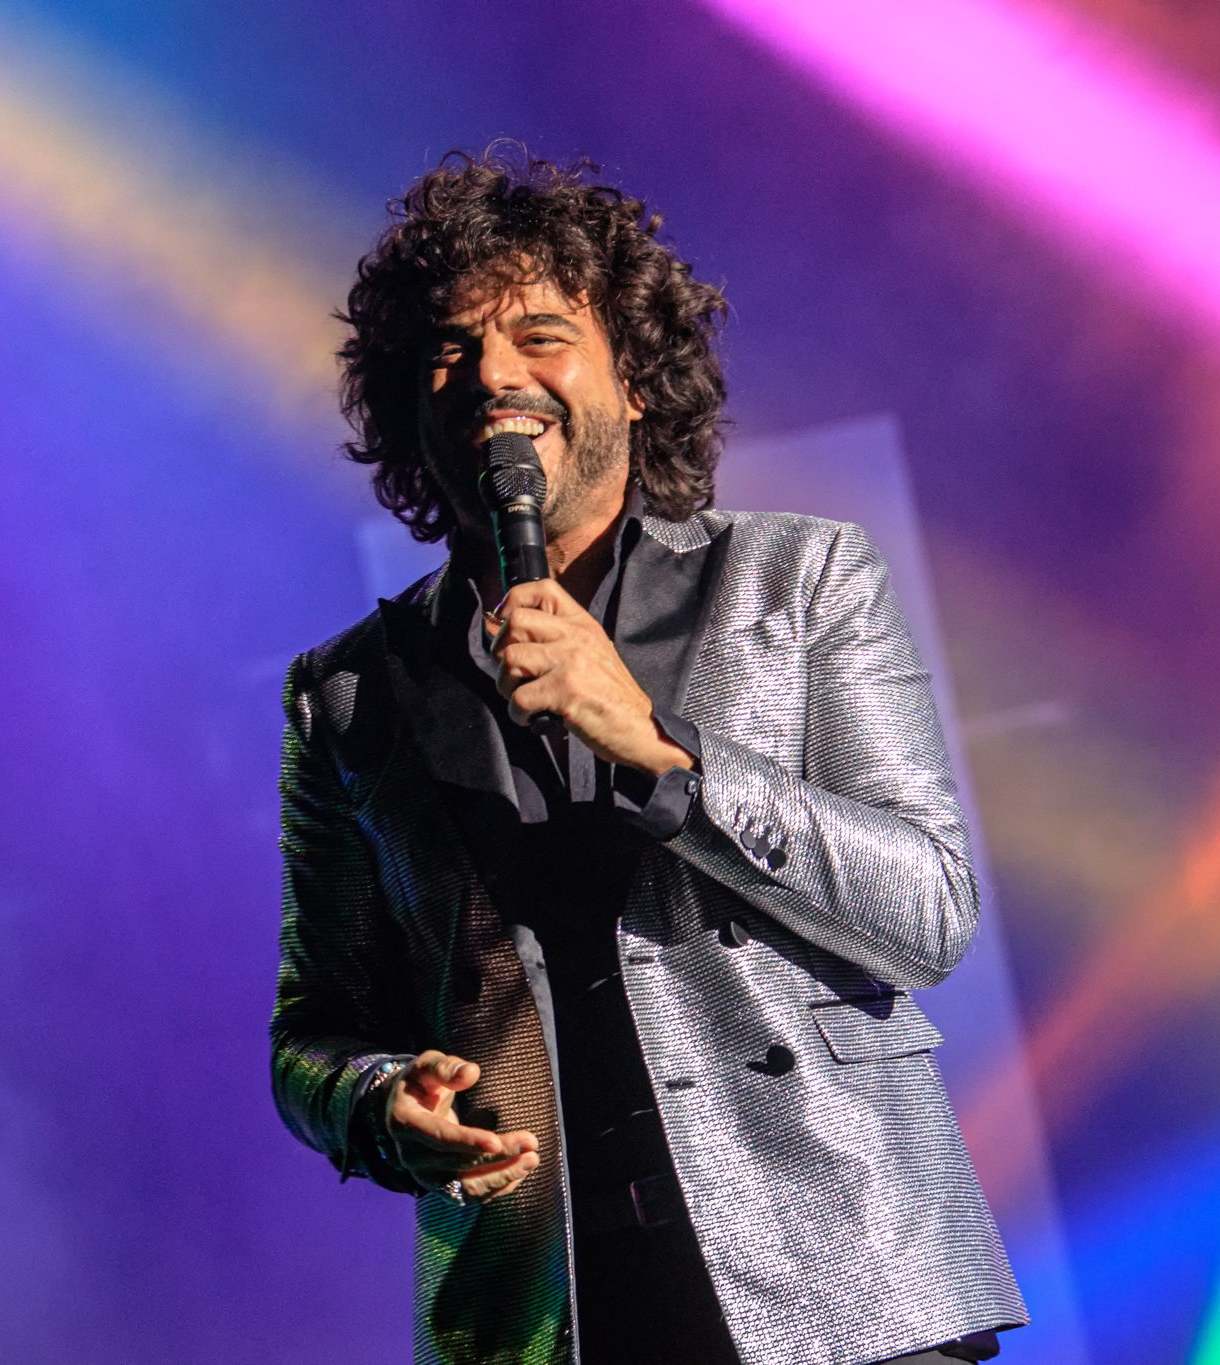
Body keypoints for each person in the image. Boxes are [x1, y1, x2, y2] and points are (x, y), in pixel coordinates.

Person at [270, 148, 1026, 1365]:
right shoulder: (349, 692)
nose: (494, 375)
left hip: (842, 1281)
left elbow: (928, 915)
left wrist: (667, 757)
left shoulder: (798, 581)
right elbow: (312, 1030)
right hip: (544, 1314)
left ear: (633, 381)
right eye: (450, 351)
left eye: (541, 335)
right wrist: (375, 1105)